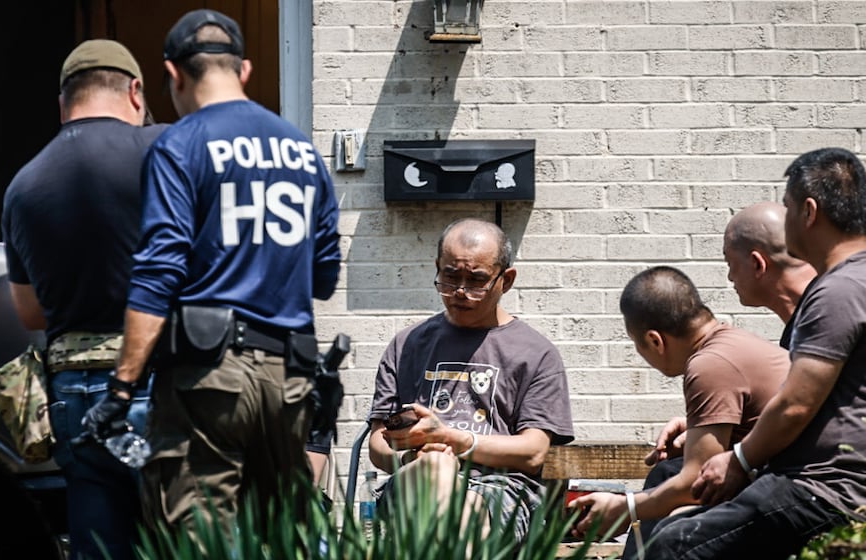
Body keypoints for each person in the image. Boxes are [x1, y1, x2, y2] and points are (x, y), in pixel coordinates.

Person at [80, 8, 342, 530]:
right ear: (243, 72)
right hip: (288, 381)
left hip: (208, 380)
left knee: (199, 536)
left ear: (174, 75)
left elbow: (158, 273)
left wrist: (122, 389)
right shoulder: (303, 154)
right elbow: (324, 277)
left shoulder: (179, 145)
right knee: (276, 536)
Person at [646, 148, 866, 559]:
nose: (784, 217)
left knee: (673, 545)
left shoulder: (840, 290)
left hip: (826, 492)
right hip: (826, 483)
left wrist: (737, 459)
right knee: (678, 514)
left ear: (809, 212)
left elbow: (795, 405)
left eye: (788, 206)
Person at [1, 40, 166, 560]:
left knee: (97, 547)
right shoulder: (164, 151)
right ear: (135, 91)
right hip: (157, 383)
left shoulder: (23, 186)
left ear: (63, 103)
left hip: (72, 397)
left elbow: (28, 312)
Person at [366, 218, 574, 540]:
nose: (460, 292)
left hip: (500, 490)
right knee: (435, 470)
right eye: (450, 276)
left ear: (506, 279)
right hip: (411, 479)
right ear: (437, 267)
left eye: (476, 280)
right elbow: (378, 443)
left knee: (456, 511)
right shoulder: (407, 345)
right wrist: (413, 455)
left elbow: (533, 451)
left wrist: (454, 440)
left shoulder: (536, 353)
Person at [569, 266, 789, 544]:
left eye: (637, 345)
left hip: (789, 494)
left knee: (672, 536)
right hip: (785, 480)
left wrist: (624, 508)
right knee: (665, 473)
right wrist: (696, 429)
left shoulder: (709, 365)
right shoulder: (732, 342)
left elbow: (693, 484)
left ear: (654, 340)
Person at [723, 201, 817, 346]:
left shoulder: (820, 327)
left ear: (758, 264)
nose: (730, 277)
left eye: (730, 263)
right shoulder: (833, 302)